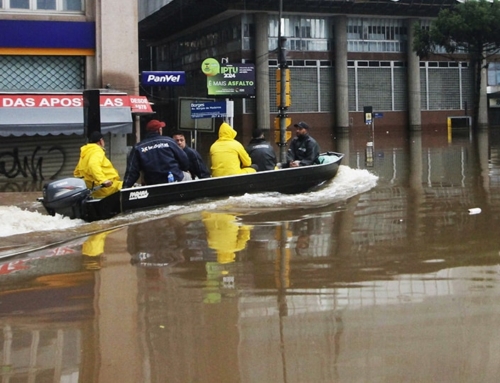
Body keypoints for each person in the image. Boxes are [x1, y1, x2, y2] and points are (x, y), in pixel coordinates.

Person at [123, 119, 190, 188]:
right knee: (187, 175)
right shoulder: (169, 141)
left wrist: (125, 188)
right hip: (175, 179)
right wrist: (181, 169)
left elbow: (132, 172)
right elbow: (184, 161)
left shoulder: (138, 147)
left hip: (152, 184)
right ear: (159, 130)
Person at [73, 131, 123, 198]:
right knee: (128, 187)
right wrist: (103, 180)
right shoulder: (97, 151)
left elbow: (77, 172)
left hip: (94, 190)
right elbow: (92, 165)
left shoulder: (86, 153)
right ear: (100, 141)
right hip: (106, 188)